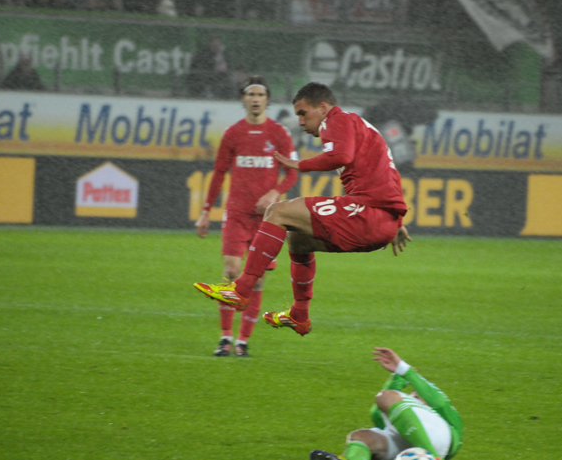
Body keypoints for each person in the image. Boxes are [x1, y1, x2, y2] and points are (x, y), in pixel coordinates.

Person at [194, 82, 411, 336]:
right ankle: (299, 315)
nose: (299, 121)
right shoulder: (357, 125)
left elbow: (341, 157)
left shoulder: (336, 121)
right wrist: (395, 222)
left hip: (367, 212)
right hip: (379, 220)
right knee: (297, 238)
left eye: (302, 113)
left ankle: (241, 289)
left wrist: (300, 165)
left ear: (322, 107)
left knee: (278, 212)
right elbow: (385, 176)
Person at [195, 75, 298, 357]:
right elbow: (218, 173)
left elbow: (292, 172)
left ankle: (242, 341)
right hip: (236, 215)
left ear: (266, 100)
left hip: (266, 220)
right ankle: (225, 337)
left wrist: (274, 193)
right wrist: (205, 212)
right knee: (231, 272)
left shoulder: (278, 133)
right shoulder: (233, 133)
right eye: (250, 94)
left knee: (258, 279)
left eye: (260, 95)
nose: (255, 99)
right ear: (243, 99)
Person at [310, 347, 463, 460]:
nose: (414, 399)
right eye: (412, 397)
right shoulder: (402, 419)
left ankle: (433, 457)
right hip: (405, 445)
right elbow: (376, 413)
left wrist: (404, 371)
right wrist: (396, 379)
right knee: (362, 436)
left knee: (386, 396)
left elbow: (440, 402)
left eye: (417, 398)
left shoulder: (440, 414)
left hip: (437, 442)